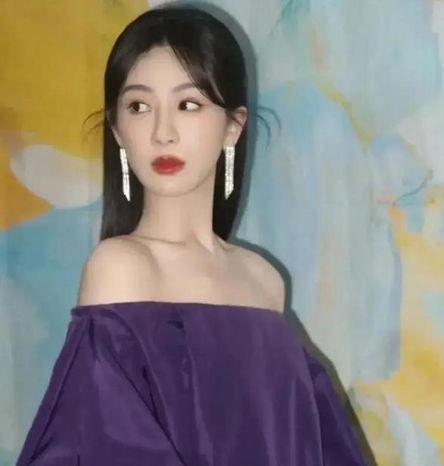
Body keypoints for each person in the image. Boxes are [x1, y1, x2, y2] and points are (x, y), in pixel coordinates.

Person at [15, 2, 370, 465]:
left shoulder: (263, 281)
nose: (162, 132)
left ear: (233, 127)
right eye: (139, 106)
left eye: (188, 104)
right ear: (118, 131)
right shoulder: (121, 270)